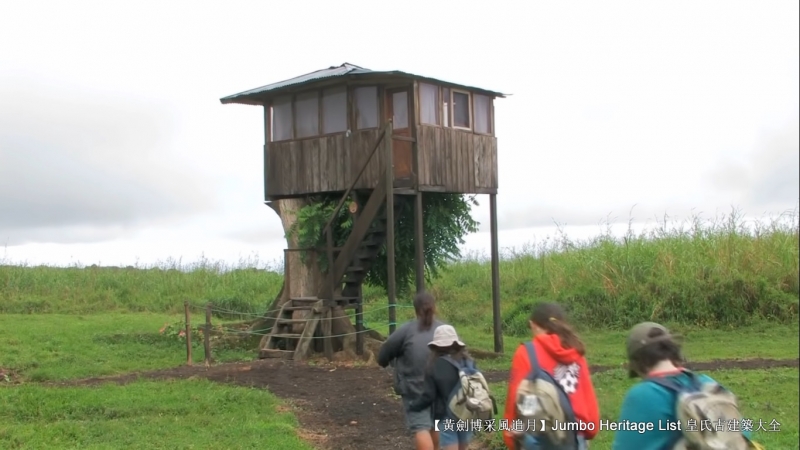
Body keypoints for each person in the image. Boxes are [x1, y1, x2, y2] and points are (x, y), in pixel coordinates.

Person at [611, 321, 760, 450]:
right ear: (673, 352)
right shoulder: (707, 383)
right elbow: (742, 432)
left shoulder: (642, 395)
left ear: (637, 363)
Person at [503, 302, 600, 450]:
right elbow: (588, 397)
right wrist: (589, 431)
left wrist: (510, 436)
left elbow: (516, 400)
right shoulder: (576, 351)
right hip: (575, 437)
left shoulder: (526, 353)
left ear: (533, 324)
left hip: (539, 438)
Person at [377, 291, 443, 450]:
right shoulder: (445, 329)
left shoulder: (407, 330)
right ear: (434, 308)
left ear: (415, 310)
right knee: (435, 425)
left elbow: (384, 353)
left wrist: (384, 361)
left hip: (416, 389)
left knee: (421, 428)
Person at [409, 324, 478, 450]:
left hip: (447, 415)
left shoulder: (434, 365)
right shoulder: (468, 361)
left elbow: (428, 396)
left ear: (436, 346)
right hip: (467, 412)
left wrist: (413, 406)